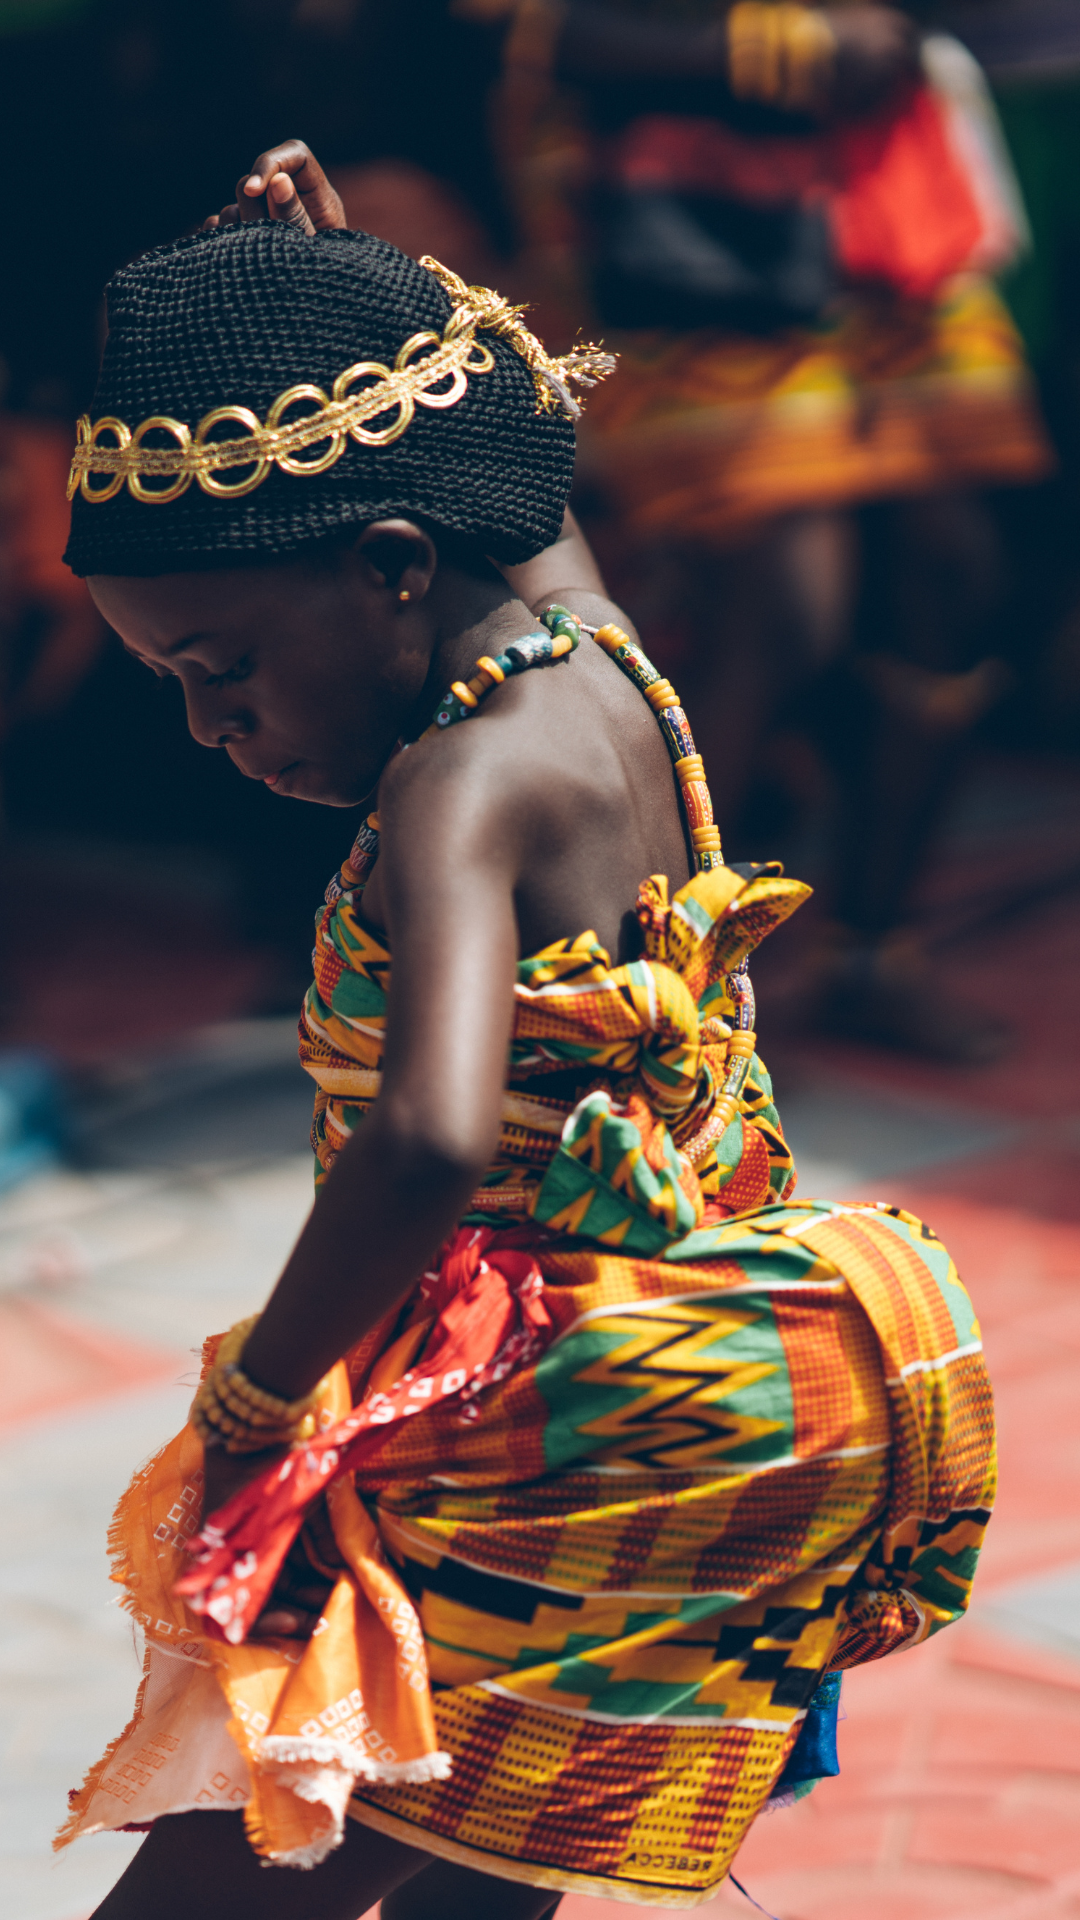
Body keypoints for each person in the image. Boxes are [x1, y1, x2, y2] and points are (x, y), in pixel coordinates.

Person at [56, 142, 995, 1920]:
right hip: (696, 1403)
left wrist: (261, 1403)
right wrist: (354, 291)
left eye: (217, 667)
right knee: (486, 1867)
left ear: (396, 567)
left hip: (535, 1429)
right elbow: (511, 482)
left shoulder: (458, 790)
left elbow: (424, 1136)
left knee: (248, 1860)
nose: (209, 729)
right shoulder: (592, 651)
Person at [480, 0, 1054, 1058]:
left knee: (953, 571)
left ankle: (874, 953)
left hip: (878, 202)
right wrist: (787, 46)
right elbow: (527, 30)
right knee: (785, 608)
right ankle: (634, 989)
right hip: (683, 211)